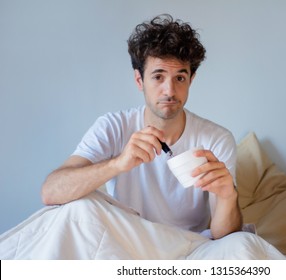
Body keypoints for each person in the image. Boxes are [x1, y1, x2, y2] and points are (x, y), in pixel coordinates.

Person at [41, 14, 242, 240]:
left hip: (190, 247)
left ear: (191, 80)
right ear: (139, 80)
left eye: (180, 78)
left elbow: (227, 238)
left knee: (245, 243)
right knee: (75, 209)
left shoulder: (217, 139)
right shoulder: (113, 127)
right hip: (126, 242)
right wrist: (117, 164)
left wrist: (227, 196)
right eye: (158, 77)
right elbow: (51, 192)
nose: (169, 91)